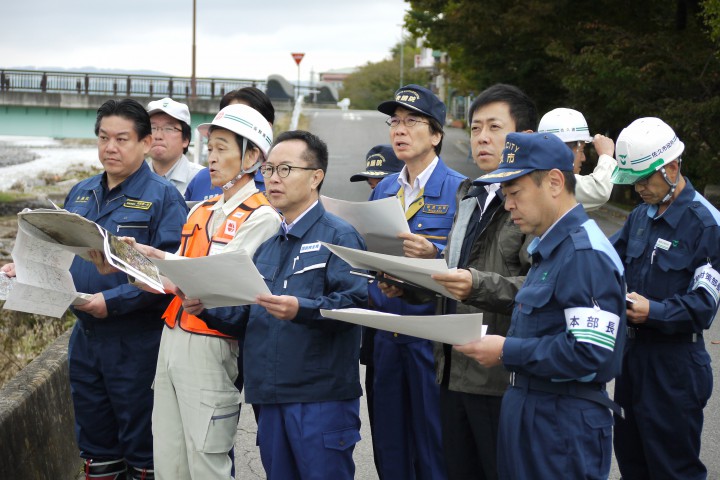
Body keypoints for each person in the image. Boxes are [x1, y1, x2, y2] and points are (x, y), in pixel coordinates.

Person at [2, 99, 188, 479]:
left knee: (143, 448)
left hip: (138, 345)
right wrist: (24, 267)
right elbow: (58, 253)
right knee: (96, 447)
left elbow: (171, 274)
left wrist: (113, 301)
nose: (110, 148)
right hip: (85, 338)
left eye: (122, 139)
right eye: (103, 138)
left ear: (145, 142)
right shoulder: (81, 193)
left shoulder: (164, 197)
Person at [182, 130, 368, 480]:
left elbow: (355, 303)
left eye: (285, 169)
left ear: (316, 177)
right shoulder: (268, 246)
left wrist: (302, 308)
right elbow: (247, 317)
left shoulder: (339, 236)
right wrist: (205, 306)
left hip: (319, 399)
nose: (273, 179)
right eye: (268, 170)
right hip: (269, 397)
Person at [118, 104, 281, 479]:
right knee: (169, 455)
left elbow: (227, 287)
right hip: (172, 336)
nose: (211, 157)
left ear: (253, 156)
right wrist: (140, 258)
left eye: (223, 148)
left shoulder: (262, 216)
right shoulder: (202, 209)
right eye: (210, 148)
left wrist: (169, 271)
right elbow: (178, 264)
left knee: (206, 459)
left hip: (213, 345)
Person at [455, 131, 626, 479]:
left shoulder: (584, 254)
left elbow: (589, 352)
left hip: (561, 421)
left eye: (515, 193)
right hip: (534, 411)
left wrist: (507, 350)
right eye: (505, 195)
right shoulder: (548, 247)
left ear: (553, 182)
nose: (508, 205)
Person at [427, 83, 535, 479]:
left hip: (499, 379)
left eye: (494, 127)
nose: (482, 138)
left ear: (522, 136)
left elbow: (540, 286)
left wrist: (475, 283)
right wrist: (409, 280)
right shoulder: (471, 194)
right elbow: (456, 270)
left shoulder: (533, 202)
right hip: (453, 370)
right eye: (475, 129)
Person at [610, 117, 719, 479]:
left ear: (672, 166)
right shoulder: (640, 215)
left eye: (645, 179)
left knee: (673, 470)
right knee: (632, 462)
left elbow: (704, 304)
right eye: (634, 180)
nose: (639, 188)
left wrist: (653, 311)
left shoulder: (706, 224)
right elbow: (606, 261)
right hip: (631, 359)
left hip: (674, 366)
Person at [370, 84, 466, 480]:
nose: (400, 130)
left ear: (437, 134)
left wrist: (435, 256)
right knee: (389, 449)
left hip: (433, 340)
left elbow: (471, 266)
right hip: (387, 333)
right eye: (395, 121)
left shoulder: (461, 190)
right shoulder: (384, 189)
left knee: (434, 449)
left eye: (412, 122)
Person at [349, 143, 404, 479]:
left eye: (380, 183)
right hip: (376, 338)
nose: (375, 190)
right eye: (371, 185)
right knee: (385, 433)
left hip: (416, 334)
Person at [185, 87, 274, 201]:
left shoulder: (276, 182)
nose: (212, 158)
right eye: (210, 148)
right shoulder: (202, 180)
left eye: (243, 118)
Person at [537, 107, 616, 210]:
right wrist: (606, 156)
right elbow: (599, 191)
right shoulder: (555, 181)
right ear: (565, 151)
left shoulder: (537, 174)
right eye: (582, 150)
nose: (583, 158)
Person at [146, 97, 203, 195]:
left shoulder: (201, 179)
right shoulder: (133, 178)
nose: (158, 136)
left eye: (168, 128)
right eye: (152, 128)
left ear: (185, 140)